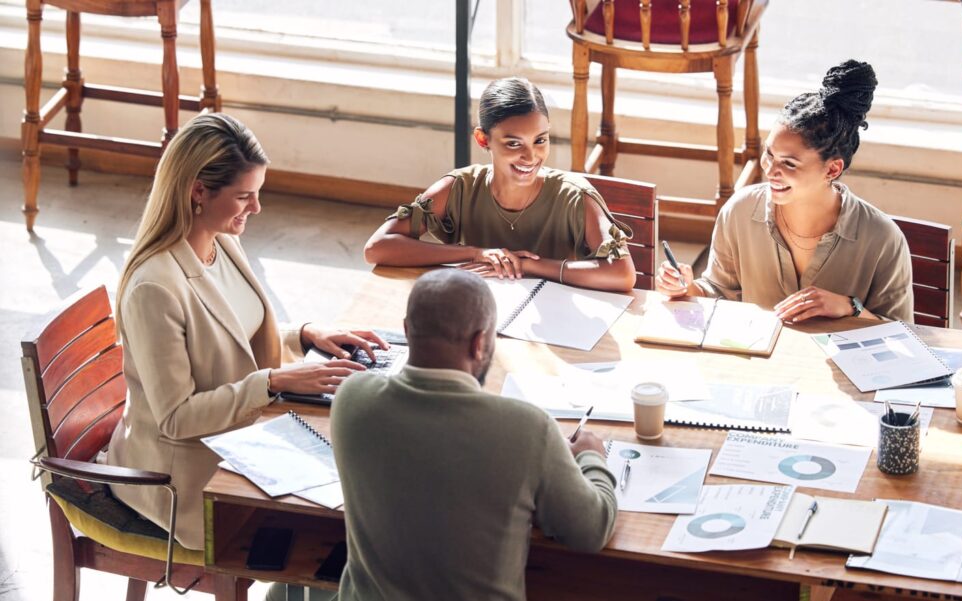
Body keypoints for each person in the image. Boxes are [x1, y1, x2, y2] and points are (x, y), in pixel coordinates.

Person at [107, 113, 388, 552]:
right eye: (244, 196)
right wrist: (273, 382)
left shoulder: (221, 242)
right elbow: (177, 418)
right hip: (185, 479)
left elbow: (232, 334)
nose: (256, 208)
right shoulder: (154, 288)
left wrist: (308, 336)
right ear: (198, 191)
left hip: (239, 437)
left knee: (371, 480)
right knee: (350, 515)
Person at [330, 269, 618, 601]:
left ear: (407, 330)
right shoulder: (526, 429)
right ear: (480, 343)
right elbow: (592, 530)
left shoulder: (351, 398)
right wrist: (592, 455)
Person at [657, 60, 914, 323]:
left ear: (832, 169)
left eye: (789, 163)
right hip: (759, 360)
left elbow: (904, 335)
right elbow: (719, 291)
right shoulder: (740, 211)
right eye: (769, 154)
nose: (770, 170)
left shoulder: (882, 238)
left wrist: (851, 307)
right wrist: (685, 287)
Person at [363, 77, 636, 292]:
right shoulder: (460, 187)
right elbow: (377, 248)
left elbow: (622, 274)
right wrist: (475, 254)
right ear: (483, 140)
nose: (531, 156)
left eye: (540, 140)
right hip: (480, 316)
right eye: (513, 143)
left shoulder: (575, 196)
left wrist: (530, 267)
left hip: (556, 324)